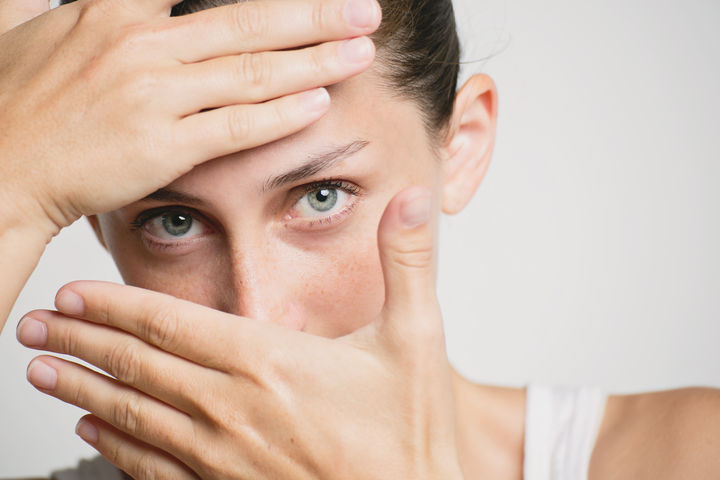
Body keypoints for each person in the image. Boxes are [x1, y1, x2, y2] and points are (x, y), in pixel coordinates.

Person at [2, 0, 719, 479]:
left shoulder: (685, 454)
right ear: (95, 219)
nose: (256, 314)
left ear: (462, 148)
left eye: (322, 196)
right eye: (174, 222)